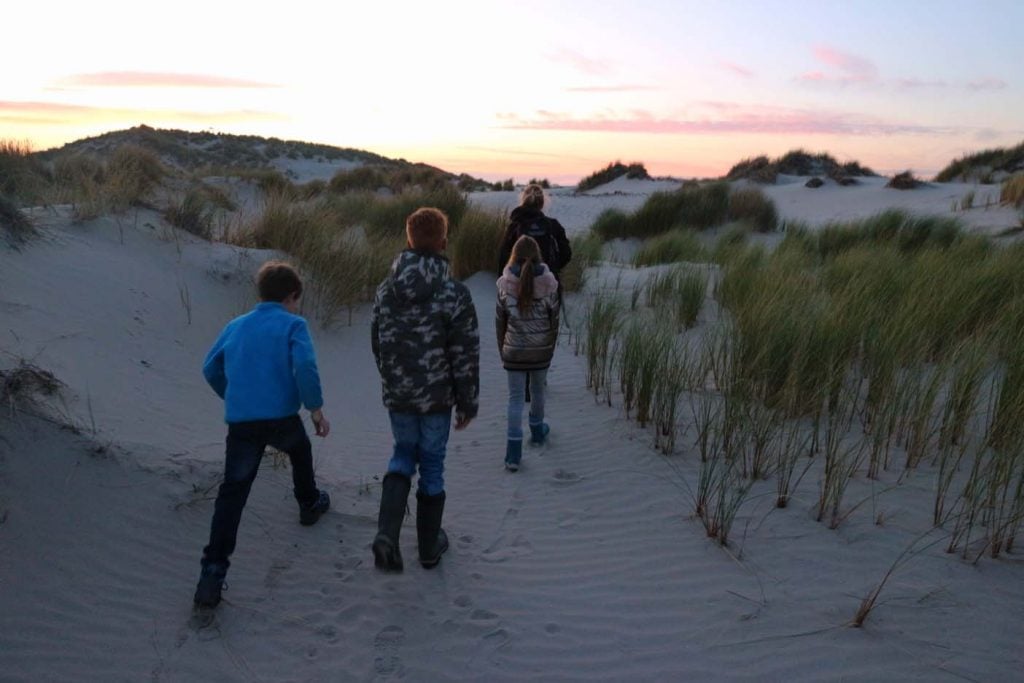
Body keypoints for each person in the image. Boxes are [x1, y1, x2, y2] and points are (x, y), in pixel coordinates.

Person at [193, 261, 331, 609]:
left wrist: (235, 395)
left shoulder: (236, 325)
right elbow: (305, 366)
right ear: (291, 296)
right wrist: (314, 407)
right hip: (281, 416)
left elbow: (210, 368)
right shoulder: (293, 324)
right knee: (300, 451)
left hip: (243, 422)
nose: (297, 306)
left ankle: (212, 573)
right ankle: (309, 503)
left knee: (233, 494)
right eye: (296, 299)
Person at [370, 207, 480, 572]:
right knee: (432, 464)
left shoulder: (386, 290)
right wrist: (468, 402)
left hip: (399, 393)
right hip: (436, 399)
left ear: (409, 241)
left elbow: (377, 341)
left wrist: (391, 377)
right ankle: (429, 547)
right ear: (444, 243)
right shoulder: (454, 293)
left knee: (402, 453)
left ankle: (387, 533)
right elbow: (465, 352)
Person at [496, 235, 560, 471]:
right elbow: (554, 320)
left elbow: (499, 322)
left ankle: (513, 454)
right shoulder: (549, 284)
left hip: (514, 351)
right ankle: (537, 431)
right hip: (541, 350)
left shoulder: (504, 285)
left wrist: (503, 350)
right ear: (537, 255)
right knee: (537, 391)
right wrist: (549, 348)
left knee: (514, 399)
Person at [498, 183, 572, 280]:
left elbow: (503, 257)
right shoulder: (553, 225)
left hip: (518, 285)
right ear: (542, 203)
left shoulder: (515, 225)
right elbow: (566, 254)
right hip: (547, 283)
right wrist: (552, 269)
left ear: (523, 201)